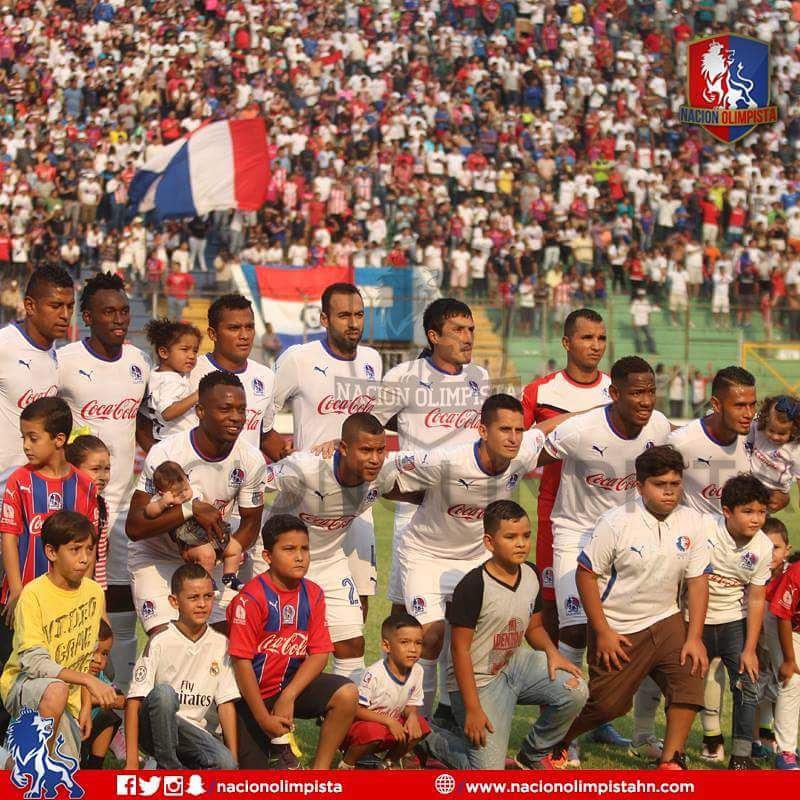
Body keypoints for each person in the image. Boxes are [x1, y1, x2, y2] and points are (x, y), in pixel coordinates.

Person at [541, 355, 672, 764]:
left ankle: (594, 719)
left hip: (625, 537)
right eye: (636, 392)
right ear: (614, 393)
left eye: (650, 391)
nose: (646, 400)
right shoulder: (581, 429)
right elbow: (531, 451)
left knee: (615, 629)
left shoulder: (661, 427)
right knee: (578, 629)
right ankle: (563, 729)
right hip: (575, 535)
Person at [390, 394, 556, 716]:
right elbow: (387, 477)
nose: (513, 438)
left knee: (472, 645)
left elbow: (550, 430)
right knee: (432, 637)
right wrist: (421, 499)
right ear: (482, 430)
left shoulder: (521, 454)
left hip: (476, 559)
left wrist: (601, 409)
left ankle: (446, 715)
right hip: (427, 555)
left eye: (518, 430)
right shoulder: (446, 461)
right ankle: (417, 730)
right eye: (504, 429)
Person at [372, 297, 490, 727]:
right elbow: (372, 428)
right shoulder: (405, 378)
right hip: (417, 517)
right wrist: (403, 480)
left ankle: (438, 716)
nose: (468, 337)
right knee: (414, 629)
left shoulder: (481, 378)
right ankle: (395, 713)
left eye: (472, 329)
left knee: (459, 628)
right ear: (434, 336)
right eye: (458, 330)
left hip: (466, 520)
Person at [557, 445, 710, 770]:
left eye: (675, 484)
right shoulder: (615, 522)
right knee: (607, 706)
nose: (669, 492)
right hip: (618, 627)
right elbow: (586, 575)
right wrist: (602, 631)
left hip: (667, 619)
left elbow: (697, 582)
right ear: (640, 486)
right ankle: (557, 739)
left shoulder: (694, 521)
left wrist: (694, 636)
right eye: (660, 485)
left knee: (691, 675)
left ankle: (672, 759)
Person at [423, 501, 587, 770]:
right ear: (489, 541)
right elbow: (459, 651)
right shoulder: (473, 586)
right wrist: (473, 709)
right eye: (510, 537)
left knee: (576, 690)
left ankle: (530, 756)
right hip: (478, 680)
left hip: (514, 664)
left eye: (526, 536)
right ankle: (430, 737)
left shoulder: (532, 573)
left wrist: (552, 653)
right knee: (487, 772)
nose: (521, 543)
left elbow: (533, 628)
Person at [57, 271, 151, 690]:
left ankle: (119, 698)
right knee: (72, 600)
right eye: (108, 311)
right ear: (88, 316)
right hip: (76, 504)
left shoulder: (138, 362)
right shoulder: (65, 362)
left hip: (124, 507)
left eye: (124, 311)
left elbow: (145, 426)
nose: (119, 319)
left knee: (121, 602)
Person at [271, 283, 383, 619]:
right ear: (324, 318)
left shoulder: (372, 360)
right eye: (344, 315)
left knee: (359, 600)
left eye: (359, 315)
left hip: (357, 499)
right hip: (309, 497)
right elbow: (262, 418)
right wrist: (284, 453)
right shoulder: (298, 359)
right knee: (297, 600)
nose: (353, 323)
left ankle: (344, 671)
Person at [263, 413, 401, 683]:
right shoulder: (306, 467)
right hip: (278, 563)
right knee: (277, 646)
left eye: (380, 450)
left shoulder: (383, 474)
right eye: (365, 450)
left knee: (351, 643)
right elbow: (253, 482)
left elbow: (431, 472)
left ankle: (345, 714)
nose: (375, 458)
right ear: (344, 448)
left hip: (329, 561)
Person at [126, 371, 266, 635]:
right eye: (225, 409)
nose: (236, 417)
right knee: (167, 643)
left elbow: (251, 522)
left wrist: (225, 552)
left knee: (222, 645)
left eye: (241, 409)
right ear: (200, 411)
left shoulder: (251, 459)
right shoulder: (167, 453)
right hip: (158, 556)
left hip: (209, 561)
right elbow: (134, 527)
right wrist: (190, 509)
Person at [667, 365, 757, 763]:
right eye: (740, 404)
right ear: (716, 403)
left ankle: (731, 740)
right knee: (681, 658)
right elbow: (657, 487)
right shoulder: (682, 441)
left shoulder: (751, 442)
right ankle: (653, 739)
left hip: (733, 568)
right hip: (685, 566)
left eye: (753, 404)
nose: (748, 413)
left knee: (735, 660)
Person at [227, 514, 358, 770]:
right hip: (251, 697)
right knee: (256, 781)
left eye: (305, 549)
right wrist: (263, 718)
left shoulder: (314, 593)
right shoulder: (251, 598)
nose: (300, 556)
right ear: (267, 557)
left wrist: (289, 695)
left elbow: (320, 653)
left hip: (289, 688)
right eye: (289, 549)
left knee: (347, 694)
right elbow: (241, 664)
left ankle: (319, 772)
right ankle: (268, 741)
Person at [521, 308, 610, 642]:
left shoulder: (617, 391)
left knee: (611, 608)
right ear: (566, 342)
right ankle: (557, 694)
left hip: (609, 512)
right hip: (556, 516)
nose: (596, 345)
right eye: (587, 337)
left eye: (601, 338)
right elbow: (517, 442)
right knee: (555, 609)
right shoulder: (540, 392)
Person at [0, 511, 116, 760]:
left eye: (89, 549)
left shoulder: (94, 592)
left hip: (69, 696)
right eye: (75, 550)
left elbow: (86, 656)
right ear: (52, 552)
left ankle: (9, 763)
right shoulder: (33, 595)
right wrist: (87, 682)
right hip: (25, 684)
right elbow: (34, 663)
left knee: (64, 773)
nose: (85, 559)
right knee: (55, 690)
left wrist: (85, 705)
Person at [0, 398, 98, 684]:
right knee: (14, 675)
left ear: (59, 439)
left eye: (33, 438)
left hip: (67, 601)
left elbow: (88, 547)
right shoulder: (19, 481)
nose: (26, 446)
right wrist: (17, 591)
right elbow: (8, 536)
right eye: (24, 438)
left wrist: (87, 591)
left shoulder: (84, 485)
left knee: (61, 677)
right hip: (19, 598)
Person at [125, 563, 239, 770]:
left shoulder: (220, 644)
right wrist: (131, 760)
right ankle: (167, 766)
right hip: (155, 728)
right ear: (174, 601)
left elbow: (226, 704)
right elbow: (134, 701)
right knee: (164, 694)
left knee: (226, 765)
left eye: (208, 596)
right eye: (193, 598)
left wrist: (234, 758)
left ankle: (183, 768)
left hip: (195, 733)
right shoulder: (160, 640)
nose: (202, 604)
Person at [703, 475, 772, 770]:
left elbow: (756, 597)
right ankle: (673, 750)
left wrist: (749, 648)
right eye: (748, 511)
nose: (756, 519)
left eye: (761, 512)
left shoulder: (764, 546)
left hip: (734, 621)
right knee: (680, 684)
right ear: (727, 511)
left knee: (747, 684)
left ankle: (741, 756)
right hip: (693, 621)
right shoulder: (704, 530)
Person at [0, 266, 74, 490]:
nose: (65, 315)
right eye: (55, 306)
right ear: (30, 306)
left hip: (36, 493)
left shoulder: (56, 356)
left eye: (70, 307)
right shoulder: (4, 346)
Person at [189, 293, 283, 460]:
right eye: (234, 328)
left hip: (246, 483)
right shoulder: (190, 372)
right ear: (213, 334)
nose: (244, 336)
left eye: (249, 327)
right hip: (197, 482)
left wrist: (294, 461)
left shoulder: (266, 376)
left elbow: (264, 435)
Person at [340, 613, 429, 769]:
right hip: (360, 730)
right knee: (374, 731)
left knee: (421, 725)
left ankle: (388, 763)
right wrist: (389, 721)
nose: (413, 649)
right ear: (387, 646)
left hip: (389, 727)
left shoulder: (418, 671)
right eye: (405, 642)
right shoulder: (373, 674)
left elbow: (411, 702)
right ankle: (347, 764)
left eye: (418, 643)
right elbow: (355, 710)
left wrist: (413, 716)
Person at [144, 460, 243, 590]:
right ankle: (206, 583)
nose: (184, 494)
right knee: (207, 556)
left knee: (235, 548)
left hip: (209, 530)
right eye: (177, 493)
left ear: (187, 479)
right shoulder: (160, 499)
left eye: (185, 488)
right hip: (188, 534)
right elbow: (149, 512)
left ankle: (229, 576)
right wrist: (162, 503)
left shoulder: (195, 491)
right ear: (163, 493)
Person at [764, 532, 800, 770]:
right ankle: (786, 752)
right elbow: (782, 615)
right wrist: (788, 660)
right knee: (793, 680)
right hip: (779, 619)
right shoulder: (797, 573)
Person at [66, 436, 111, 591]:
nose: (103, 476)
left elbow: (98, 555)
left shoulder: (102, 505)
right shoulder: (67, 503)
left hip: (91, 587)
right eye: (95, 469)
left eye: (107, 469)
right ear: (74, 469)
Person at [144, 318, 202, 440]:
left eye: (195, 351)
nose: (192, 356)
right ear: (164, 353)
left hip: (166, 439)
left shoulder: (157, 374)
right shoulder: (170, 380)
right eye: (184, 350)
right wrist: (197, 395)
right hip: (175, 443)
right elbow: (167, 412)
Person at [81, 619, 126, 769]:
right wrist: (100, 699)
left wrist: (113, 699)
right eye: (93, 652)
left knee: (108, 717)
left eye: (105, 654)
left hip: (87, 732)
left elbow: (120, 699)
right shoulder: (71, 670)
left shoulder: (100, 677)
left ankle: (94, 767)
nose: (99, 660)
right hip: (69, 731)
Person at [745, 395, 800, 513]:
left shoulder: (795, 449)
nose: (775, 437)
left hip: (774, 489)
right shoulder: (758, 428)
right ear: (765, 422)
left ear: (794, 430)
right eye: (771, 430)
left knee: (758, 514)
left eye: (782, 433)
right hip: (752, 480)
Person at [629, 289, 658, 355]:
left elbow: (649, 312)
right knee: (638, 337)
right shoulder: (635, 302)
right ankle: (639, 350)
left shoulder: (646, 302)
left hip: (645, 322)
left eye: (642, 295)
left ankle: (653, 350)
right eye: (640, 295)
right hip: (637, 322)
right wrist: (633, 322)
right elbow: (632, 313)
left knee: (650, 336)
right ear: (638, 295)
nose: (641, 296)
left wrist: (649, 320)